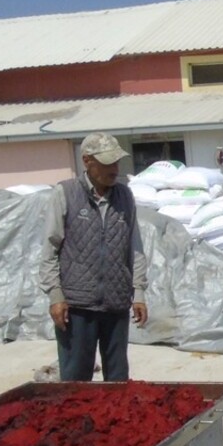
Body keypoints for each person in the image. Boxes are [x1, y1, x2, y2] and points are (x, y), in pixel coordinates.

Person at [39, 132, 149, 381]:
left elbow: (135, 248)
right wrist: (55, 296)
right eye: (108, 163)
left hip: (116, 302)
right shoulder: (65, 194)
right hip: (77, 306)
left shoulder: (124, 196)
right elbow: (50, 249)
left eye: (116, 163)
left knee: (118, 378)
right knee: (76, 379)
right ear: (88, 161)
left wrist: (139, 292)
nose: (114, 169)